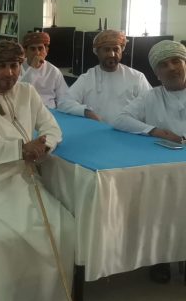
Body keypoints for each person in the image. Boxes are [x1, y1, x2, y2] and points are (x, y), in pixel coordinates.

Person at [0, 40, 74, 301]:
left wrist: (43, 147)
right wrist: (20, 149)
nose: (9, 73)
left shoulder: (28, 93)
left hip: (23, 181)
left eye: (14, 66)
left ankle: (49, 298)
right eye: (2, 66)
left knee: (63, 227)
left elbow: (52, 129)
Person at [113, 39, 186, 283]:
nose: (171, 68)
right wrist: (155, 131)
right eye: (164, 65)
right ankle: (160, 258)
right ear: (156, 73)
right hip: (163, 169)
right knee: (161, 210)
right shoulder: (151, 96)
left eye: (176, 61)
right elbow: (120, 119)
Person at [57, 29, 151, 123]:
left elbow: (151, 105)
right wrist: (87, 112)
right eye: (107, 50)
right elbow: (64, 103)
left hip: (129, 130)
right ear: (97, 52)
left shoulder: (136, 77)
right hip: (97, 130)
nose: (112, 54)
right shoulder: (88, 78)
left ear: (122, 50)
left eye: (116, 49)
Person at [20, 31, 68, 108]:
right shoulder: (17, 67)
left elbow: (64, 98)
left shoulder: (54, 71)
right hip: (26, 109)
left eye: (40, 48)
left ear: (46, 51)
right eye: (33, 49)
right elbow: (21, 93)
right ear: (25, 52)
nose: (37, 53)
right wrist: (33, 68)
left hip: (49, 110)